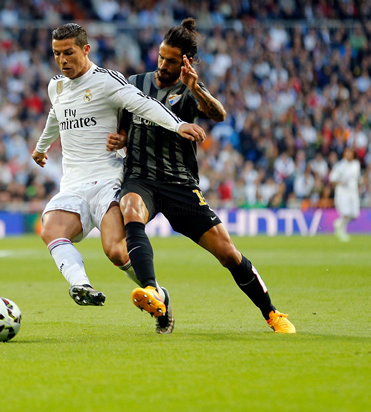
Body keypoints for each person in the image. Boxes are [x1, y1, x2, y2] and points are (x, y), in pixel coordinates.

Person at [107, 18, 296, 334]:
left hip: (180, 184)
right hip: (140, 179)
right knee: (130, 211)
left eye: (170, 60)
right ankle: (153, 292)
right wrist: (121, 139)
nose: (163, 64)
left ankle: (273, 314)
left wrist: (196, 88)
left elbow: (218, 114)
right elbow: (125, 128)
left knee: (228, 254)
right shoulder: (134, 84)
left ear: (186, 61)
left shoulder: (190, 88)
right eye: (161, 57)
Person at [31, 23, 205, 308]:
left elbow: (143, 103)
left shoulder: (106, 81)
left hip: (108, 179)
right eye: (56, 54)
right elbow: (55, 115)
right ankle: (81, 285)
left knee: (115, 251)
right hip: (73, 184)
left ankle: (157, 294)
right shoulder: (56, 86)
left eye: (69, 52)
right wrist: (41, 148)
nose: (62, 60)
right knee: (50, 229)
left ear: (86, 49)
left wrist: (178, 124)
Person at [329, 147, 361, 242]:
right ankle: (342, 232)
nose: (349, 154)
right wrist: (341, 182)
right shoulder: (339, 165)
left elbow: (357, 179)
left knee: (355, 214)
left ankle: (338, 223)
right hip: (342, 192)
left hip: (354, 192)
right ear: (344, 154)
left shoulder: (356, 165)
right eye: (347, 153)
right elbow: (332, 179)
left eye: (350, 153)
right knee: (345, 213)